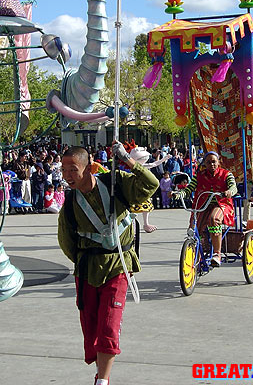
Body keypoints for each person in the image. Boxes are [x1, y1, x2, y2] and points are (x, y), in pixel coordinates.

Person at [57, 143, 158, 385]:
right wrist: (87, 258)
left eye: (73, 169)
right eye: (64, 170)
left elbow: (150, 185)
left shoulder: (116, 183)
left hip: (117, 266)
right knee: (90, 327)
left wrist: (127, 160)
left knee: (109, 326)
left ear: (89, 167)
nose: (68, 176)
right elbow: (67, 241)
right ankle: (100, 372)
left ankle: (102, 381)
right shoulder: (70, 203)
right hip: (87, 270)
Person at [173, 152, 237, 265]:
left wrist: (229, 192)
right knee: (195, 225)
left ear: (218, 162)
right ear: (205, 164)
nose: (211, 164)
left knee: (214, 219)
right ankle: (196, 254)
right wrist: (178, 194)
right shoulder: (199, 176)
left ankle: (217, 254)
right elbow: (189, 189)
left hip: (222, 204)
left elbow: (233, 187)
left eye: (214, 161)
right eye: (208, 162)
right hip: (203, 204)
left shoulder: (227, 174)